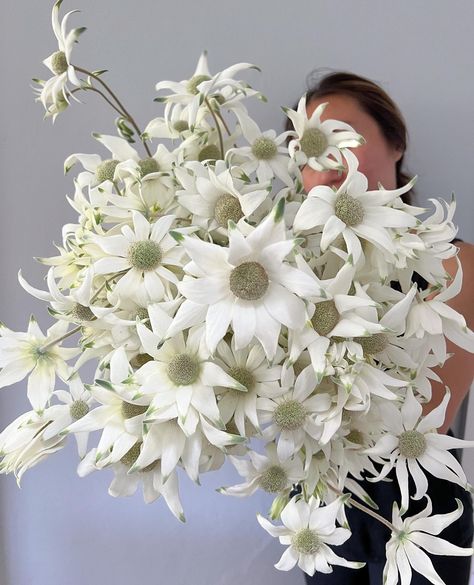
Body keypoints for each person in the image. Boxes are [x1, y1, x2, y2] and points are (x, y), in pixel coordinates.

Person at [286, 72, 474, 584]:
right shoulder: (281, 273)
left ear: (396, 143)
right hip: (320, 503)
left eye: (341, 138)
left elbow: (432, 408)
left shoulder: (455, 264)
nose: (323, 162)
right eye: (306, 150)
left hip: (424, 504)